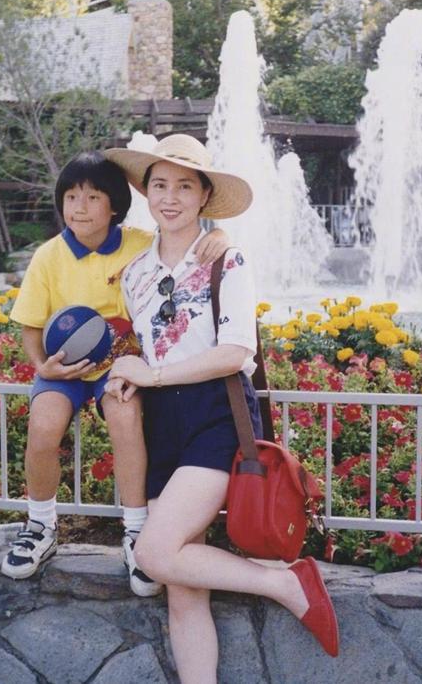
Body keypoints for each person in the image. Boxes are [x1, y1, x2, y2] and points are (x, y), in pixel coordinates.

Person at [104, 134, 339, 681]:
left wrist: (152, 374)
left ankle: (285, 582)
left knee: (155, 554)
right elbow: (147, 347)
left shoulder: (226, 259)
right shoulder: (135, 273)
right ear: (145, 192)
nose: (170, 198)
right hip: (160, 423)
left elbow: (236, 352)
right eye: (160, 185)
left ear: (204, 196)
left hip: (215, 415)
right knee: (183, 591)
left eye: (185, 186)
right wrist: (127, 371)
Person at [0, 150, 231, 597]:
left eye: (92, 197)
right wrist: (42, 366)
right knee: (43, 426)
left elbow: (185, 239)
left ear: (115, 206)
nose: (80, 207)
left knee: (125, 420)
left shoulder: (140, 243)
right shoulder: (48, 256)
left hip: (121, 367)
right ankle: (40, 525)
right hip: (64, 366)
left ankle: (136, 530)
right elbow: (30, 325)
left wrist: (218, 233)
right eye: (71, 197)